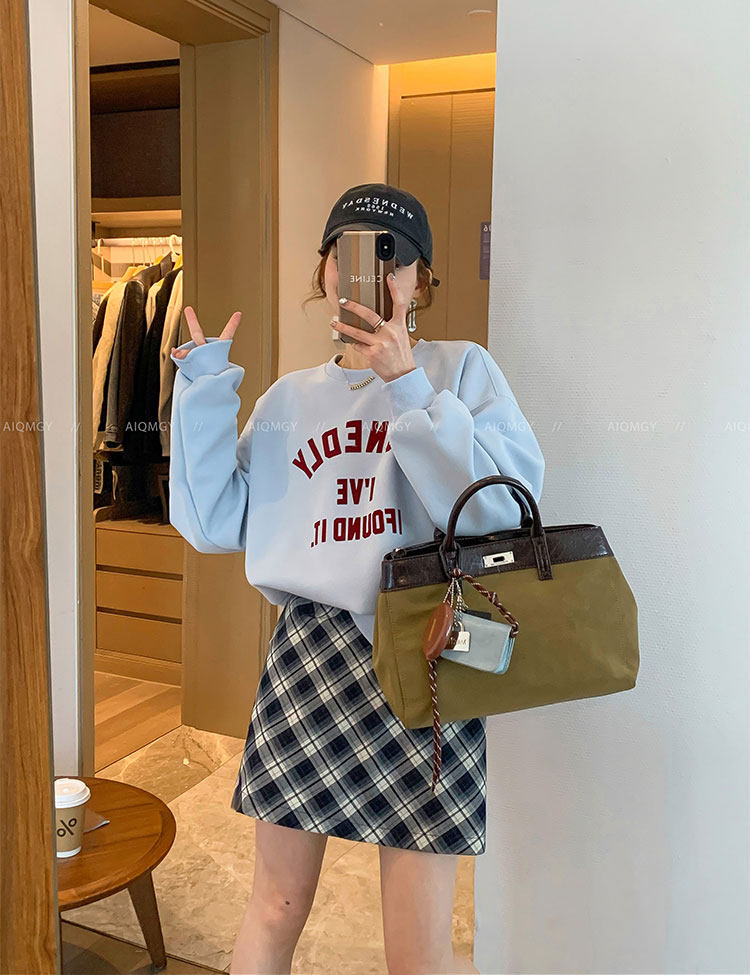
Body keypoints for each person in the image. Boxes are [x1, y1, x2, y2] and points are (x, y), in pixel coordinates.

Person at [169, 182, 545, 975]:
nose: (370, 271)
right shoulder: (289, 397)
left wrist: (407, 384)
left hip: (427, 650)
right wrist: (201, 396)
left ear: (419, 280)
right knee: (274, 907)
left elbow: (502, 511)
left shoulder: (461, 371)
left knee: (416, 948)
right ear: (325, 269)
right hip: (309, 659)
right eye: (348, 251)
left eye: (391, 255)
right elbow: (212, 523)